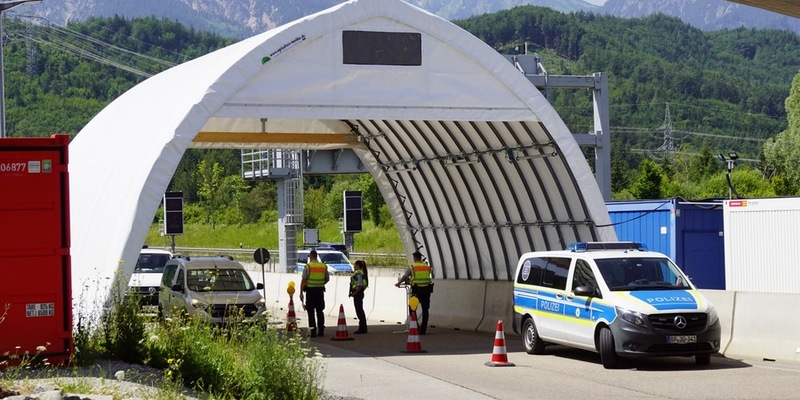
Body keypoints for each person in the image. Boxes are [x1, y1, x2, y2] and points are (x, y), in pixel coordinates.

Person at [395, 251, 433, 335]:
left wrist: (399, 283)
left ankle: (416, 327)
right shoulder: (427, 267)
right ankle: (423, 330)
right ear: (420, 257)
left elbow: (405, 277)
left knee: (412, 308)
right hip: (426, 290)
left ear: (415, 258)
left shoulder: (412, 267)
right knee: (425, 310)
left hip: (417, 290)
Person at [299, 250, 329, 337]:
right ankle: (321, 331)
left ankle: (313, 332)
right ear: (316, 256)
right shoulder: (323, 266)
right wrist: (320, 283)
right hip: (320, 291)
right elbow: (327, 279)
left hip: (310, 292)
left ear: (310, 256)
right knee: (320, 311)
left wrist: (301, 292)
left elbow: (304, 281)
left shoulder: (308, 267)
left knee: (311, 312)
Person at [349, 260, 369, 334]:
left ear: (358, 266)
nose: (354, 266)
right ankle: (363, 327)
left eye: (354, 265)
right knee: (360, 310)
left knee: (359, 311)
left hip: (358, 293)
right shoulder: (361, 273)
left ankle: (362, 328)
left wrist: (354, 293)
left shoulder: (359, 274)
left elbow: (359, 285)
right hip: (359, 293)